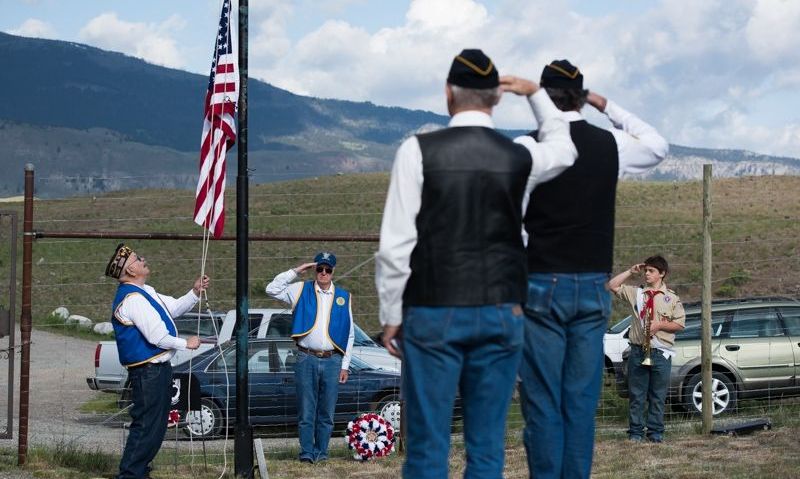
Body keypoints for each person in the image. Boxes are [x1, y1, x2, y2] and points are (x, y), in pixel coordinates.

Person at [376, 49, 577, 479]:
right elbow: (564, 148)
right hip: (503, 309)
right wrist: (537, 95)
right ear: (497, 98)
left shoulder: (417, 150)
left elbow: (396, 245)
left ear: (449, 93)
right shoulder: (519, 155)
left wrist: (392, 314)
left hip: (433, 307)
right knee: (486, 448)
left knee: (428, 447)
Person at [517, 59, 670, 479]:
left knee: (543, 399)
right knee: (580, 402)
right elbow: (657, 145)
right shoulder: (609, 145)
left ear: (542, 97)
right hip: (591, 286)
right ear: (582, 97)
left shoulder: (528, 147)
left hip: (541, 283)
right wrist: (607, 105)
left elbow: (512, 224)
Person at [105, 243, 206, 479]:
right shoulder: (132, 299)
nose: (143, 259)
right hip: (147, 371)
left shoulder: (146, 291)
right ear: (130, 271)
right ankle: (130, 474)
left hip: (158, 370)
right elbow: (157, 336)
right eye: (138, 259)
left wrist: (194, 292)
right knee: (147, 426)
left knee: (157, 426)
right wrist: (185, 343)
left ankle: (140, 471)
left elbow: (173, 307)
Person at [265, 251, 354, 463]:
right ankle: (306, 453)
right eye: (320, 269)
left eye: (327, 270)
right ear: (315, 270)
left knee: (327, 412)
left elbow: (349, 333)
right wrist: (296, 271)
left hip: (333, 360)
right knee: (306, 411)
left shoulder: (344, 296)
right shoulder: (300, 289)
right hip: (306, 357)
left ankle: (322, 454)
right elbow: (272, 289)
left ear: (333, 272)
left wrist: (345, 365)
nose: (323, 273)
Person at [608, 255, 685, 443]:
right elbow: (612, 285)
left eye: (651, 271)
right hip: (637, 350)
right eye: (645, 271)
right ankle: (635, 433)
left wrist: (659, 326)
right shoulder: (637, 293)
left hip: (660, 352)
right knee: (637, 395)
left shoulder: (671, 298)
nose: (647, 274)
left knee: (658, 395)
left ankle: (655, 432)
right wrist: (630, 271)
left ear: (662, 274)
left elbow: (680, 324)